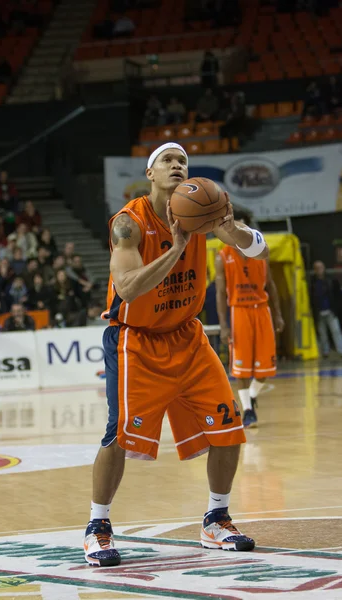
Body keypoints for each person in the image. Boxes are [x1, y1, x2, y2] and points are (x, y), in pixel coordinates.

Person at [83, 142, 268, 567]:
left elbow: (257, 250)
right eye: (167, 160)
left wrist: (231, 228)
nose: (177, 166)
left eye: (182, 160)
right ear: (150, 174)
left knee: (229, 425)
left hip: (187, 335)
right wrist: (176, 249)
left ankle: (216, 520)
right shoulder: (129, 223)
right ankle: (98, 527)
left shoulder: (201, 208)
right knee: (118, 435)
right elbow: (128, 288)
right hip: (136, 340)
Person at [215, 209, 284, 428]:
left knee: (266, 368)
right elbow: (220, 293)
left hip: (262, 310)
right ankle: (247, 410)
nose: (237, 231)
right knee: (241, 368)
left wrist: (279, 315)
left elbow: (271, 286)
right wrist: (224, 325)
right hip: (239, 312)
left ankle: (252, 395)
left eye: (242, 227)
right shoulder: (222, 256)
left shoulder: (261, 253)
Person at [310, 260, 342, 357]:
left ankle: (341, 351)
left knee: (336, 331)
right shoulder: (312, 282)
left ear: (324, 268)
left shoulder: (331, 280)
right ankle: (325, 352)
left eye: (320, 267)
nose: (319, 270)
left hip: (331, 311)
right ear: (314, 270)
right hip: (319, 312)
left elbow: (337, 295)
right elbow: (312, 297)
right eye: (317, 268)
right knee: (322, 334)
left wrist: (335, 309)